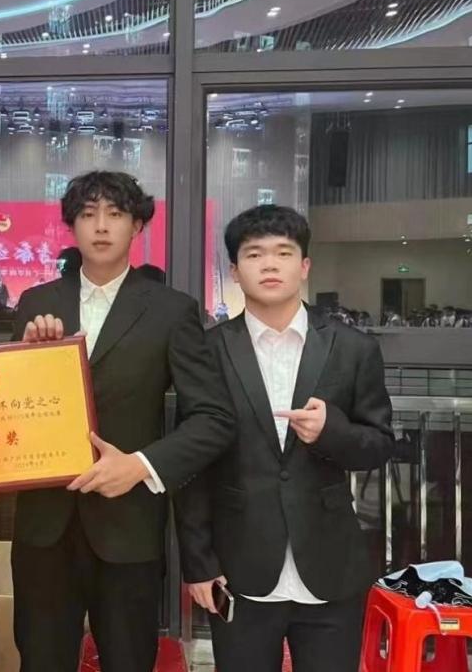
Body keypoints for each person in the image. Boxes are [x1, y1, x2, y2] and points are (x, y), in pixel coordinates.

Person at [12, 170, 236, 672]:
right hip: (44, 527)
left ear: (137, 226)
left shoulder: (170, 310)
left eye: (115, 214)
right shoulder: (36, 304)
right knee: (40, 661)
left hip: (129, 527)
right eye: (88, 214)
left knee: (129, 660)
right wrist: (25, 359)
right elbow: (10, 407)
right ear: (72, 225)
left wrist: (141, 466)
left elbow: (214, 417)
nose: (101, 226)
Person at [174, 205, 394, 672]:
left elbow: (379, 445)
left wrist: (332, 432)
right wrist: (199, 563)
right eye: (254, 254)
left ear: (305, 265)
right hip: (238, 568)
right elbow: (192, 465)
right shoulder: (207, 352)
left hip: (331, 566)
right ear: (235, 271)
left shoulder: (352, 348)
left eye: (283, 252)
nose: (269, 264)